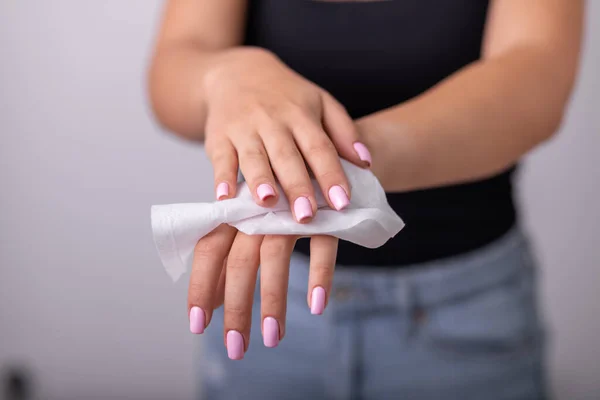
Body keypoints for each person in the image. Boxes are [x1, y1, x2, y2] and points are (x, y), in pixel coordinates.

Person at [148, 1, 583, 398]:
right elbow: (176, 62)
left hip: (464, 312)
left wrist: (341, 162)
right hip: (266, 305)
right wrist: (226, 75)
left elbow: (535, 73)